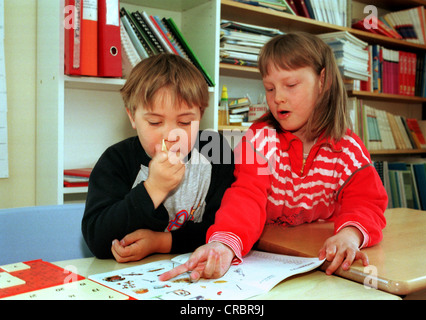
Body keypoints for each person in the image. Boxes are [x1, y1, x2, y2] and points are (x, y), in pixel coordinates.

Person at [159, 32, 387, 282]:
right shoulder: (259, 141)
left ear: (323, 81)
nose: (278, 97)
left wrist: (351, 234)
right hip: (267, 253)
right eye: (269, 88)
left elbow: (366, 202)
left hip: (317, 258)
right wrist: (224, 244)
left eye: (290, 85)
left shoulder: (348, 149)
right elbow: (246, 196)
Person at [82, 54, 235, 262]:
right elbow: (98, 239)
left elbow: (227, 230)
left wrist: (161, 242)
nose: (171, 135)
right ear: (132, 117)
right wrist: (153, 189)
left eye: (184, 122)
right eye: (154, 122)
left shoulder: (214, 150)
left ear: (200, 115)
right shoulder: (116, 161)